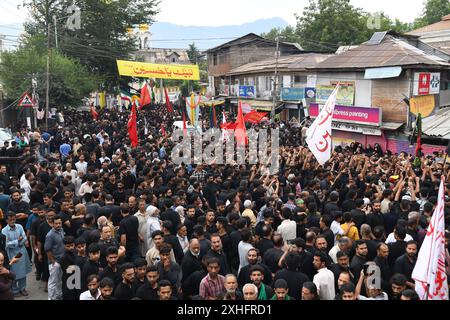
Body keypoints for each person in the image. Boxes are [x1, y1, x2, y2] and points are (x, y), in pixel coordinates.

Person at [1, 213, 31, 297]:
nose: (12, 221)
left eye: (13, 219)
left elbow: (24, 238)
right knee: (12, 272)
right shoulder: (4, 230)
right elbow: (6, 244)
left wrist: (15, 242)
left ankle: (23, 288)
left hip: (21, 252)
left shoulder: (20, 227)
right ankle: (15, 290)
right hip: (11, 253)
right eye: (10, 220)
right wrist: (17, 241)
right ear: (6, 220)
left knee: (22, 272)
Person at [45, 215, 65, 300]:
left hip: (62, 260)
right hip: (55, 261)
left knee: (60, 280)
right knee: (53, 282)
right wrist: (53, 262)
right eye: (56, 223)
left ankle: (58, 295)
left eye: (59, 223)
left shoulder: (61, 230)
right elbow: (47, 250)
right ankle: (51, 298)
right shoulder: (50, 235)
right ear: (52, 224)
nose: (58, 225)